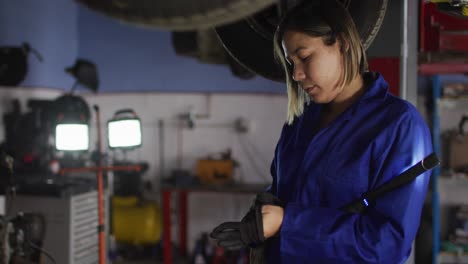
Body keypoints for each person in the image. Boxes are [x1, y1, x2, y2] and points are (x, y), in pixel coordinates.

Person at [211, 1, 434, 263]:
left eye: (304, 57)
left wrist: (288, 222)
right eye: (291, 62)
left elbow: (388, 244)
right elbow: (284, 193)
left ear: (342, 44)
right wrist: (258, 224)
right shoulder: (300, 124)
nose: (296, 74)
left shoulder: (398, 126)